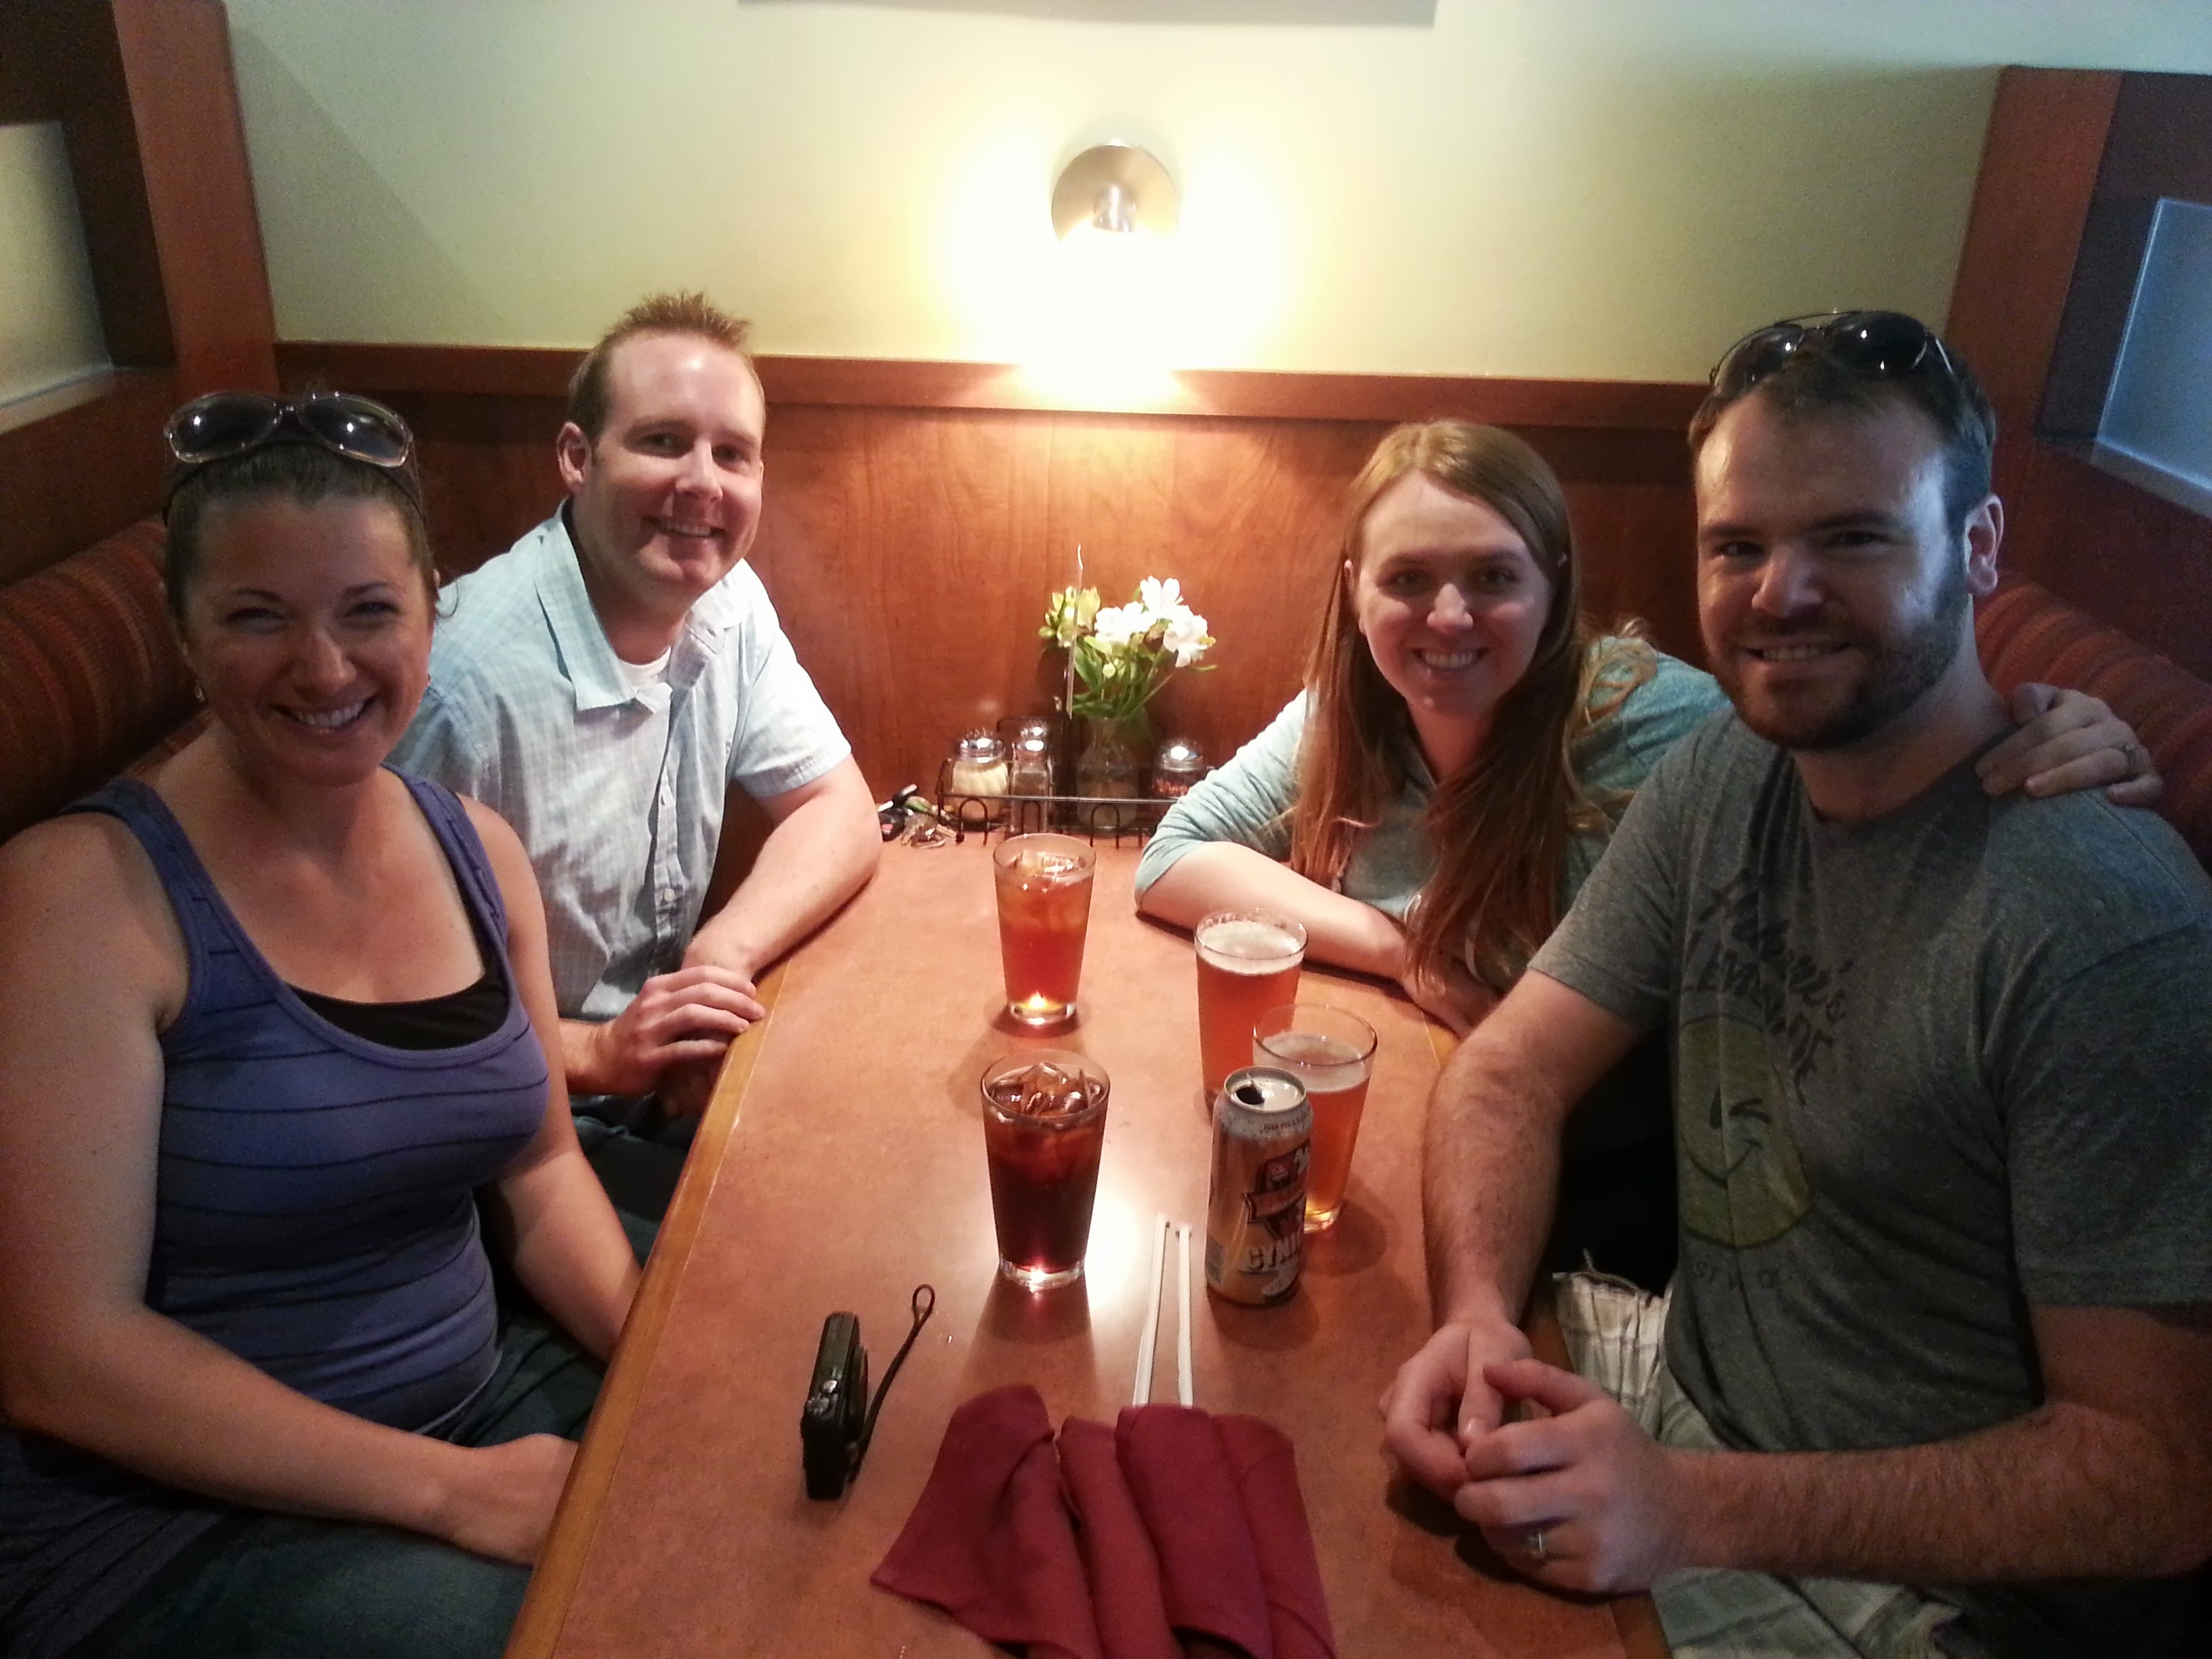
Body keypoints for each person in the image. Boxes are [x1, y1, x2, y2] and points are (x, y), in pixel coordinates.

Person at [1380, 313, 2212, 1658]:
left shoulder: (2101, 924)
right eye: (1739, 546)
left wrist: (1688, 1509)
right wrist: (1476, 1317)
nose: (1781, 593)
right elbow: (1509, 1068)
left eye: (1854, 538)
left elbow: (2160, 1478)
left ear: (1978, 547)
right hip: (1679, 1404)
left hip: (1914, 1594)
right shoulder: (1726, 775)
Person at [1134, 418, 2154, 1284]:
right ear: (1357, 591)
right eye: (1408, 579)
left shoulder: (1664, 725)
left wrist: (2035, 730)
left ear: (1554, 585)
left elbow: (1862, 766)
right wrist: (1405, 950)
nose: (1448, 616)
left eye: (1493, 576)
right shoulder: (1350, 715)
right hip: (1425, 1122)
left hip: (1608, 1204)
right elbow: (1173, 859)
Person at [0, 392, 641, 1659]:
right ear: (185, 636)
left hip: (477, 1403)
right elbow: (66, 1358)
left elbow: (540, 1166)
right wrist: (457, 1495)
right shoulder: (79, 898)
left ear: (430, 612)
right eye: (258, 617)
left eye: (367, 611)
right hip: (178, 1520)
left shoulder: (479, 852)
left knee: (764, 1487)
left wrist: (659, 1360)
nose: (326, 668)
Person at [389, 291, 880, 1183]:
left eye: (732, 454)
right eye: (663, 441)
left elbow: (837, 807)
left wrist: (714, 966)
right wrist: (601, 1053)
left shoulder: (728, 601)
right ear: (577, 458)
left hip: (656, 1094)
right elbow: (385, 1008)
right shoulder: (460, 689)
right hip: (512, 1132)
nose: (703, 483)